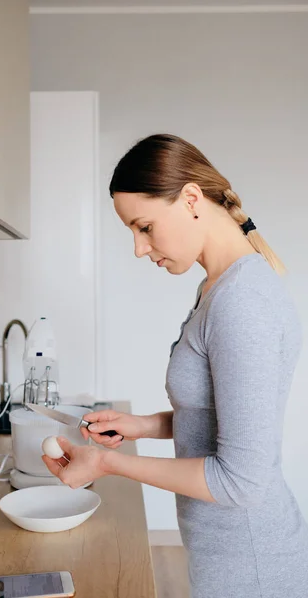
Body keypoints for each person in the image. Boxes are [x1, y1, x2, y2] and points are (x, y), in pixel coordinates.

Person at [42, 134, 308, 597]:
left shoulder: (242, 302)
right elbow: (220, 417)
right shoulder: (218, 288)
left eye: (143, 227)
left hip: (251, 567)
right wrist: (143, 425)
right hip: (225, 554)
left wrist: (107, 462)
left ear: (190, 199)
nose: (139, 248)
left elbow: (241, 482)